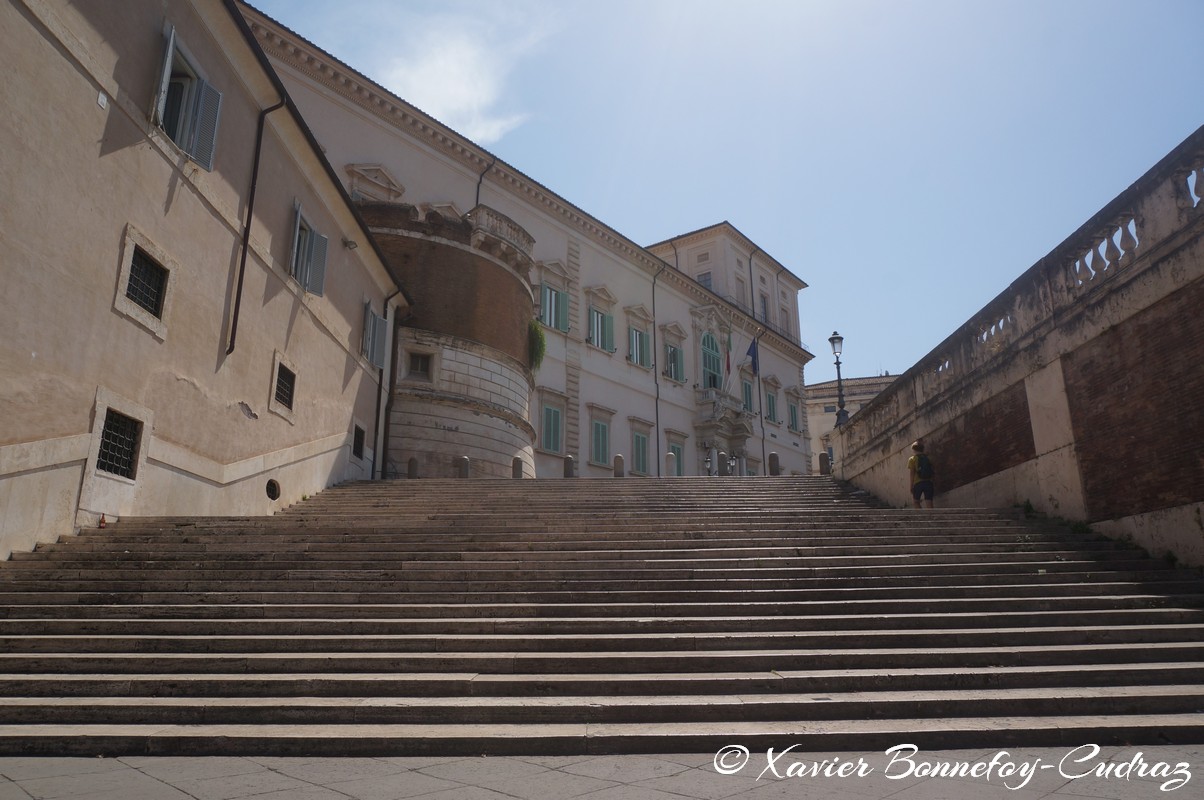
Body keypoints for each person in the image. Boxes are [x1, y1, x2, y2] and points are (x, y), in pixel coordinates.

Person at [907, 441, 935, 509]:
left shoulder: (912, 459)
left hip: (918, 483)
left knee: (916, 502)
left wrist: (911, 486)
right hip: (928, 482)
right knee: (929, 502)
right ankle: (932, 518)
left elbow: (912, 473)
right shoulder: (928, 458)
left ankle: (923, 517)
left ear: (914, 449)